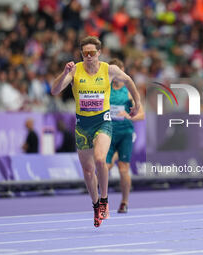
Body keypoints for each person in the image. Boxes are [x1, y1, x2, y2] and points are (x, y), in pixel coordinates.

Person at [51, 36, 141, 227]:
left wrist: (138, 103)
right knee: (88, 170)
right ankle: (95, 204)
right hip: (82, 126)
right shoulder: (75, 70)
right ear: (82, 54)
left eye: (92, 53)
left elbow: (130, 81)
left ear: (99, 53)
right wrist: (64, 73)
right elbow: (54, 90)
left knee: (101, 159)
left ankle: (105, 199)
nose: (89, 56)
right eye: (85, 53)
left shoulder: (109, 70)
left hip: (103, 122)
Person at [106, 58, 145, 213]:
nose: (116, 74)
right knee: (104, 166)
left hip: (125, 134)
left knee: (123, 169)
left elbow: (141, 114)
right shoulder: (105, 88)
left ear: (123, 72)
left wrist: (129, 117)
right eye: (112, 71)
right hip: (107, 132)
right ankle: (103, 201)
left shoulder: (128, 92)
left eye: (119, 71)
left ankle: (124, 201)